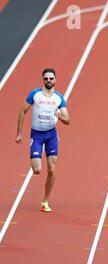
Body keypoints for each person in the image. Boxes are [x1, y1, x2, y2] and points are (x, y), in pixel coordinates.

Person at [15, 68, 70, 212]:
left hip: (51, 135)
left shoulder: (59, 98)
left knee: (52, 169)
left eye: (51, 78)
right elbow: (22, 112)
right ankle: (36, 158)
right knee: (37, 170)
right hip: (37, 135)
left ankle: (45, 201)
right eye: (46, 78)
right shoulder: (35, 94)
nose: (49, 81)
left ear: (55, 80)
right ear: (43, 80)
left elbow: (67, 120)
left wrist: (60, 117)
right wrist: (19, 133)